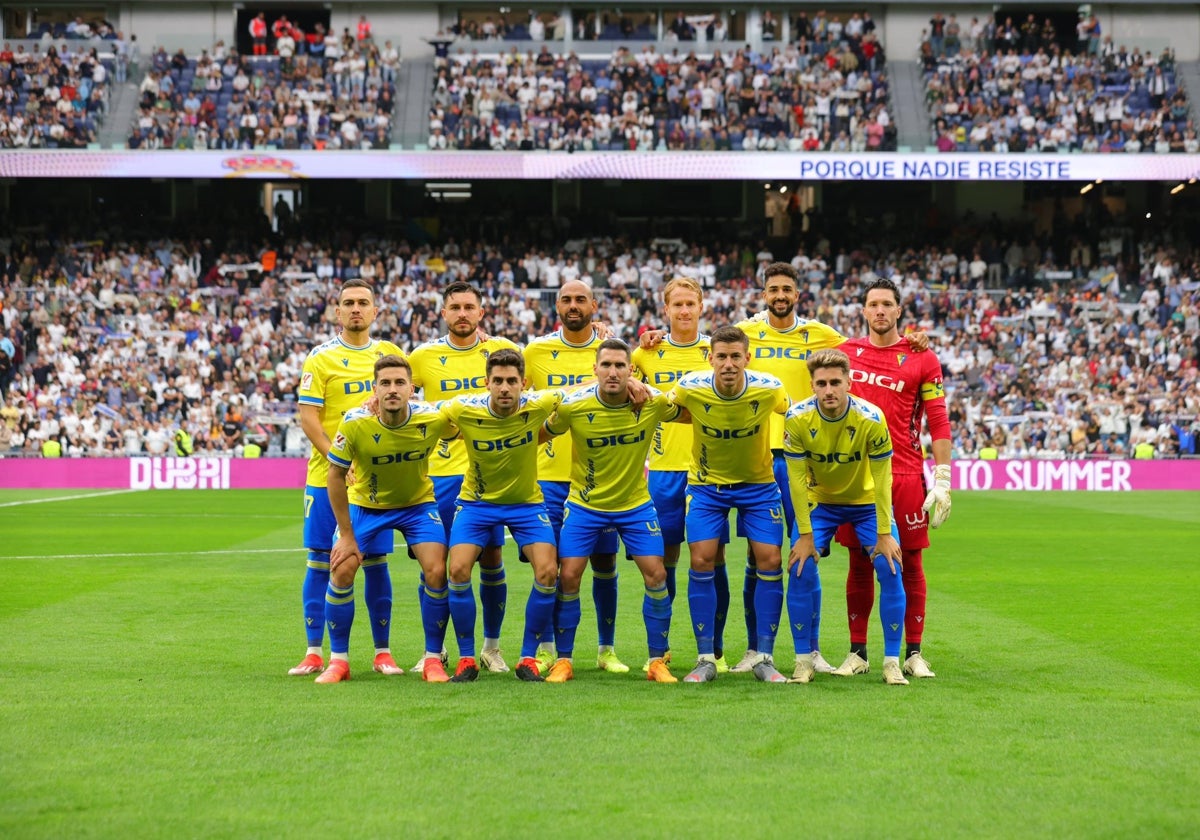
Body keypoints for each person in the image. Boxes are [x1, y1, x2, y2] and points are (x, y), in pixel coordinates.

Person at [541, 339, 678, 683]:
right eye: (607, 365)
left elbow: (688, 408)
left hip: (635, 505)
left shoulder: (652, 403)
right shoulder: (574, 407)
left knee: (657, 575)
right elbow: (540, 434)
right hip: (585, 505)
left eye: (621, 366)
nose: (613, 372)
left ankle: (657, 661)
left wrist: (647, 387)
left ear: (632, 370)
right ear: (595, 370)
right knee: (569, 576)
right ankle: (564, 661)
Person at [836, 278, 952, 680]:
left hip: (903, 474)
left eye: (887, 304)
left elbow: (938, 421)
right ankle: (857, 652)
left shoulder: (922, 357)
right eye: (873, 304)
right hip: (854, 476)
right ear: (864, 311)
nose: (880, 310)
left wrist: (943, 478)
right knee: (859, 562)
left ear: (899, 311)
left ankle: (914, 652)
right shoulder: (845, 353)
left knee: (910, 563)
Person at [290, 279, 406, 677]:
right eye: (348, 303)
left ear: (376, 311)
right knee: (322, 559)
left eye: (363, 303)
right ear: (337, 312)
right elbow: (309, 419)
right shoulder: (320, 358)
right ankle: (314, 651)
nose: (356, 309)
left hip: (376, 481)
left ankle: (382, 652)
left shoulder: (390, 355)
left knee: (375, 561)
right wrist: (339, 460)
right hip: (328, 477)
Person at [319, 356, 454, 683]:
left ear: (411, 388)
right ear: (374, 389)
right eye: (385, 383)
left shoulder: (433, 417)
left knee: (437, 570)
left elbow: (471, 422)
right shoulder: (354, 422)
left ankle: (433, 658)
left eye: (399, 383)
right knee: (342, 567)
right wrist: (348, 537)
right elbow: (334, 477)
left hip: (417, 505)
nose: (392, 390)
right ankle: (339, 661)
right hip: (367, 505)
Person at [668, 326, 791, 683]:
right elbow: (663, 406)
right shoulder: (691, 385)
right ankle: (706, 657)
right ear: (711, 359)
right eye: (721, 356)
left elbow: (795, 414)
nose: (728, 364)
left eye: (736, 356)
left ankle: (764, 657)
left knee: (771, 559)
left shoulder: (769, 388)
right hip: (707, 487)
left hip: (758, 486)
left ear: (747, 358)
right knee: (701, 559)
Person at [407, 281, 519, 673]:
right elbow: (398, 393)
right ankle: (433, 650)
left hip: (487, 475)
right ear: (443, 313)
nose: (462, 314)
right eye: (454, 307)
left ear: (481, 313)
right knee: (434, 566)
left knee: (491, 559)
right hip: (437, 475)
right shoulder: (423, 356)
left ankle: (491, 647)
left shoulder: (501, 352)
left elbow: (532, 396)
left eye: (469, 307)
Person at [782, 348, 907, 686]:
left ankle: (891, 662)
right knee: (800, 565)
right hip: (820, 502)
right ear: (812, 386)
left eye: (835, 382)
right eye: (821, 383)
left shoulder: (871, 418)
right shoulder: (795, 418)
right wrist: (805, 536)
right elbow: (795, 481)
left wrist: (884, 533)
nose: (829, 390)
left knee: (889, 565)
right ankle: (803, 661)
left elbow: (883, 481)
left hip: (866, 503)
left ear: (849, 383)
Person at [439, 349, 562, 683]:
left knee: (549, 571)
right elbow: (423, 411)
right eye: (498, 381)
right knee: (459, 568)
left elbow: (582, 388)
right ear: (487, 383)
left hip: (526, 504)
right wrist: (371, 404)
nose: (505, 387)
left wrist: (634, 384)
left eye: (512, 381)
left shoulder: (538, 405)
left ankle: (527, 658)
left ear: (524, 383)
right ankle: (467, 659)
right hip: (476, 503)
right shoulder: (463, 408)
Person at [524, 281, 626, 675]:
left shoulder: (610, 349)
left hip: (598, 478)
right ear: (557, 306)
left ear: (593, 305)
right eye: (565, 299)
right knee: (551, 568)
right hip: (548, 477)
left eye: (580, 299)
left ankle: (606, 649)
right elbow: (510, 384)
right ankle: (550, 649)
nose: (572, 305)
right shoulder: (535, 351)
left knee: (604, 563)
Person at [630, 276, 730, 671]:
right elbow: (611, 376)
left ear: (701, 306)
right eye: (678, 304)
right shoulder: (646, 354)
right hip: (664, 471)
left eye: (691, 303)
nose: (685, 311)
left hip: (710, 472)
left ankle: (716, 651)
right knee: (664, 560)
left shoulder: (716, 351)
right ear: (666, 308)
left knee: (712, 557)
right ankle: (663, 650)